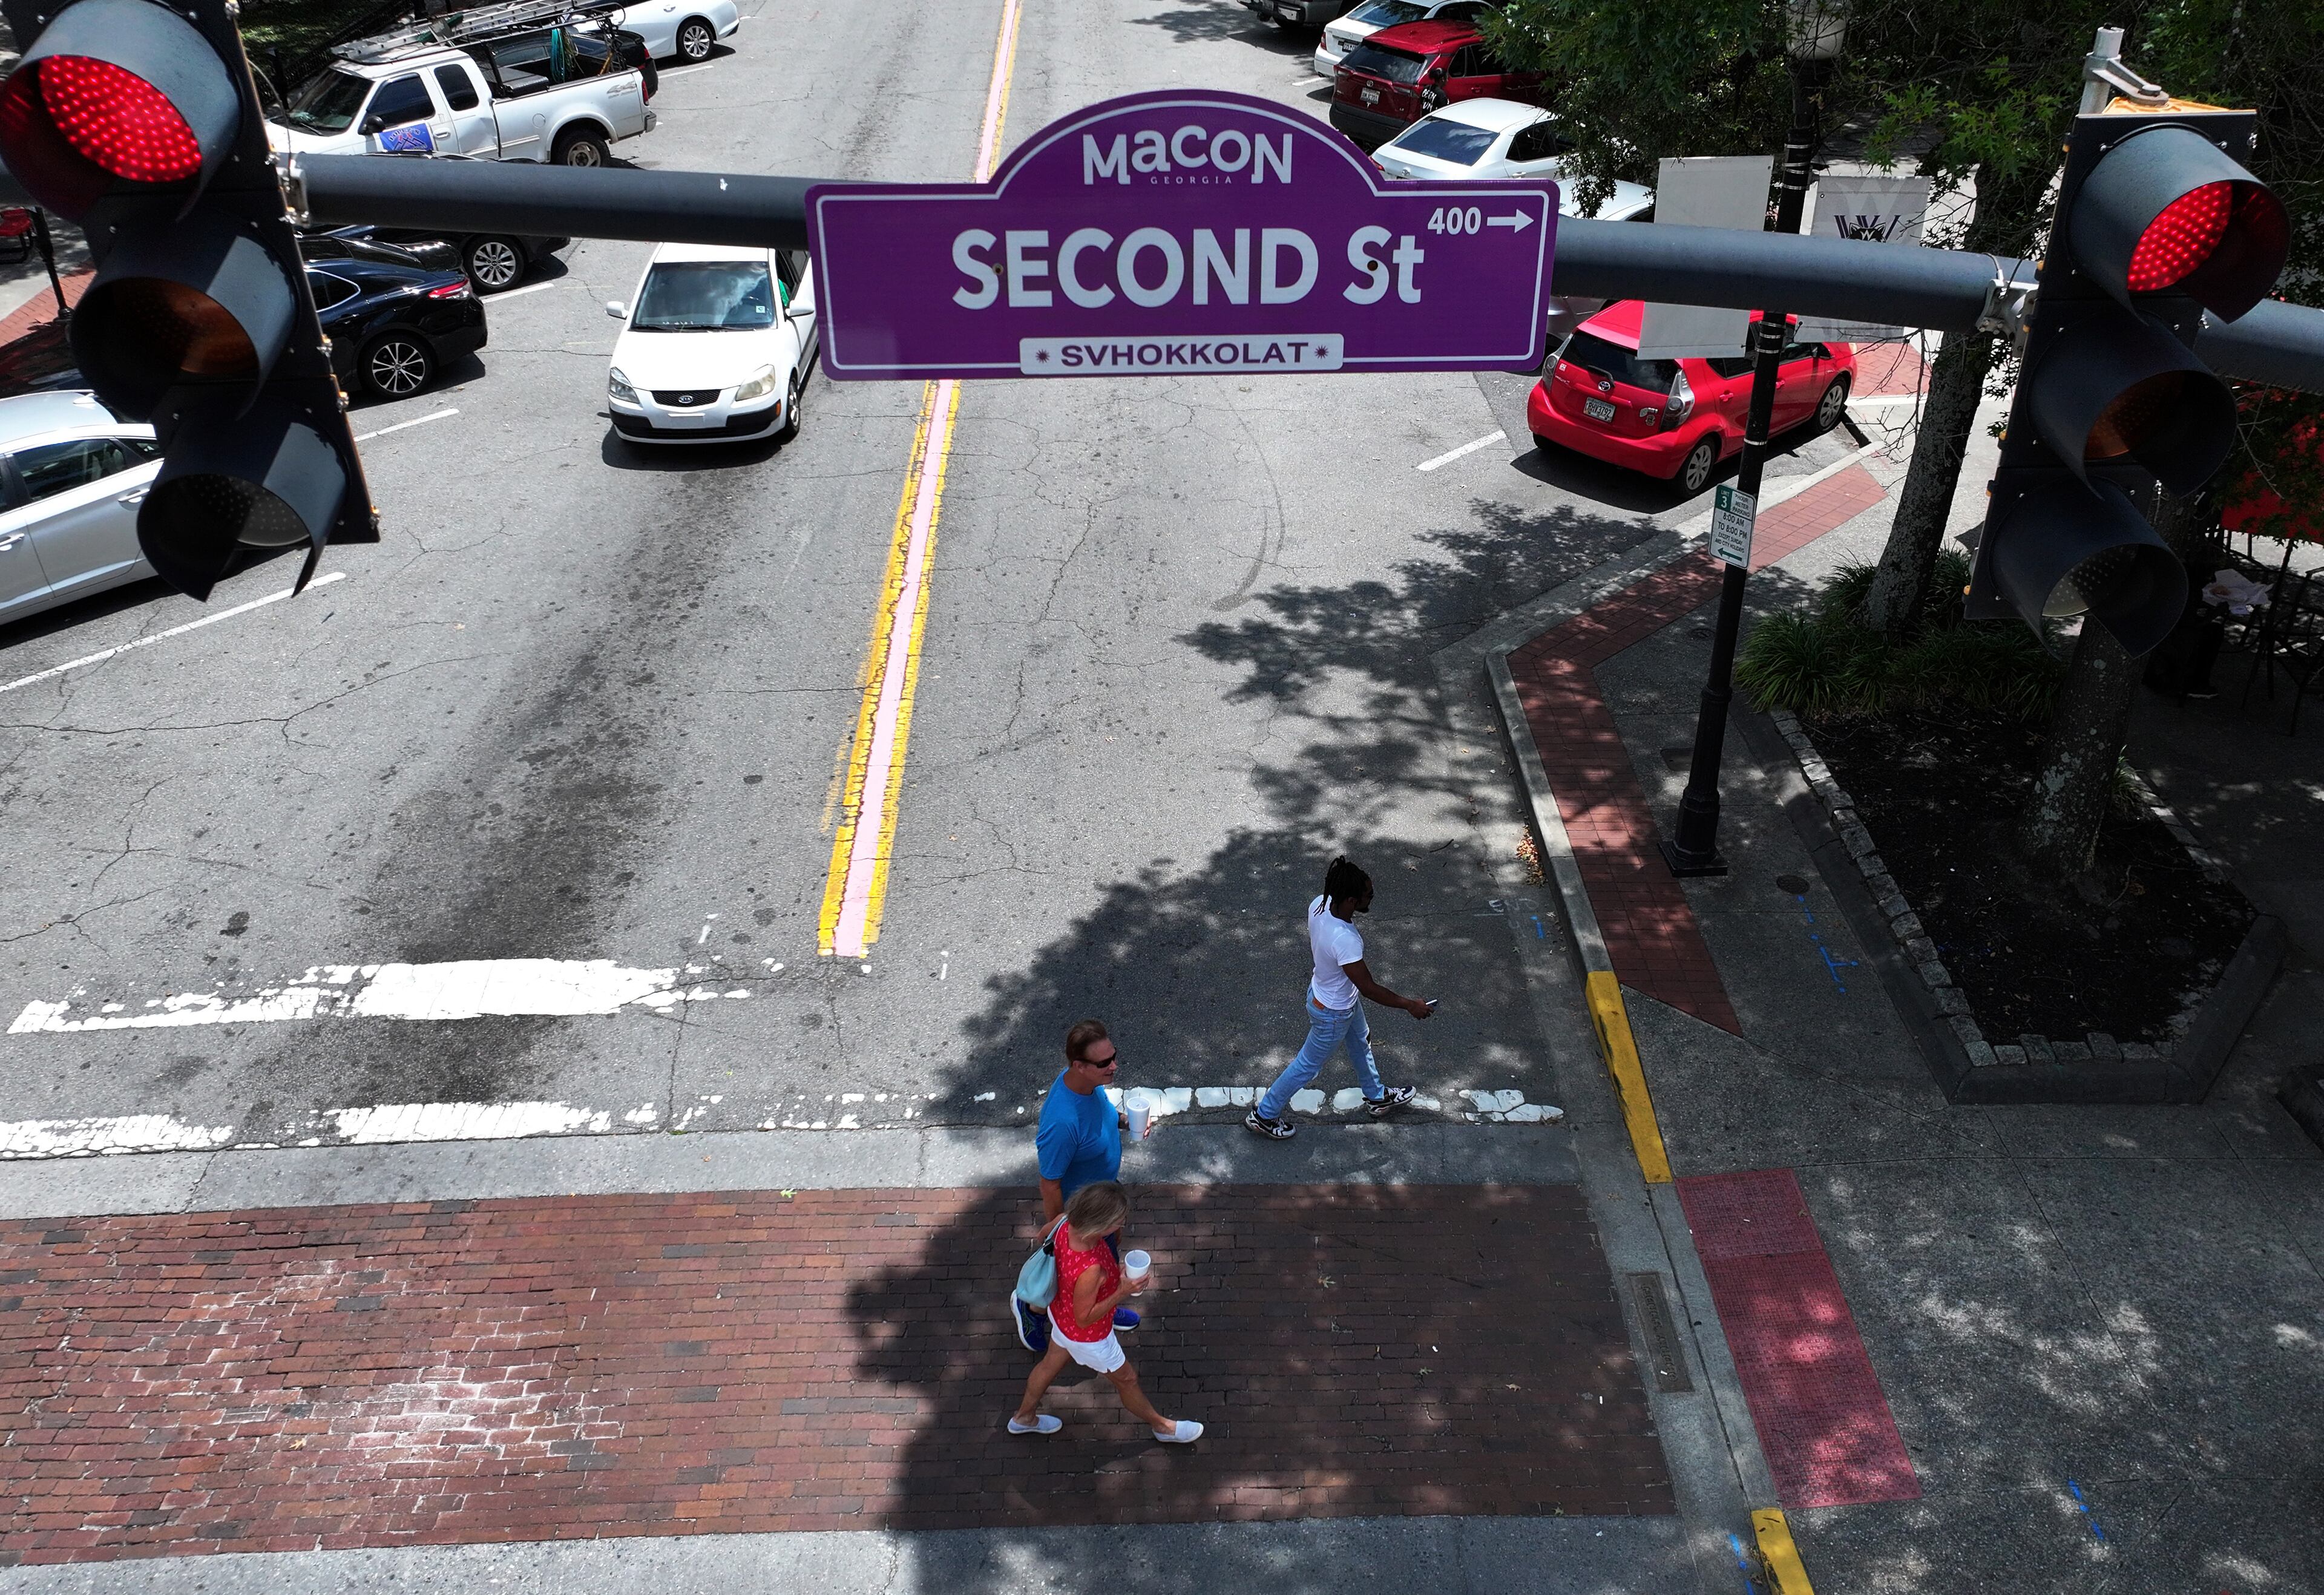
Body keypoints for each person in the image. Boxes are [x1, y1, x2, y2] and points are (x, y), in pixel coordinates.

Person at [1246, 855, 1429, 1141]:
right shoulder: (1345, 939)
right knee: (1307, 1067)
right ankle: (1264, 1116)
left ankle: (1377, 1097)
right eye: (1369, 894)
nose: (1373, 897)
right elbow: (1369, 987)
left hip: (1331, 995)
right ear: (1352, 901)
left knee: (1360, 1041)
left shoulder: (1319, 904)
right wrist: (1410, 1005)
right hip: (1333, 1012)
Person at [1007, 1181, 1202, 1444]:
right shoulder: (1091, 1269)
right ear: (1100, 1225)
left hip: (1060, 1317)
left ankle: (1024, 1418)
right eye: (1118, 1221)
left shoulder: (1065, 1222)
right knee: (1127, 1379)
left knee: (1049, 1365)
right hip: (1088, 1336)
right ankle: (1164, 1428)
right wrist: (1122, 1290)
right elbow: (1085, 1317)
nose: (1122, 1224)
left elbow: (1043, 1237)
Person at [1013, 1020, 1141, 1355]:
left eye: (1113, 1057)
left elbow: (1101, 1112)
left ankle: (1105, 1308)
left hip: (1103, 1198)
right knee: (1075, 1275)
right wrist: (1059, 1229)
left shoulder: (1087, 1085)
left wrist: (1125, 1121)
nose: (1114, 1066)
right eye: (1104, 1063)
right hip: (1080, 1215)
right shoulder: (1062, 1123)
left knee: (1111, 1252)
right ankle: (1031, 1307)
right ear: (1079, 1066)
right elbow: (1049, 1182)